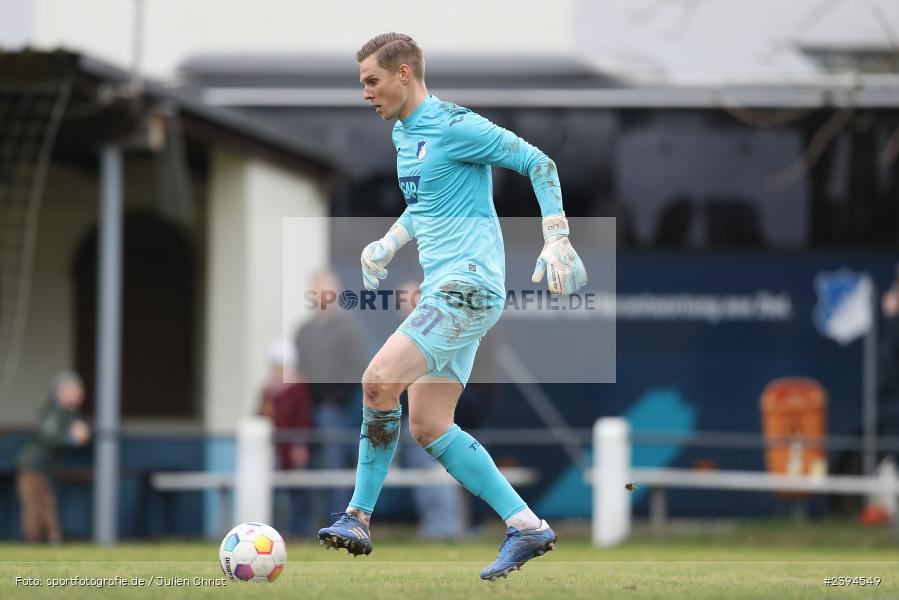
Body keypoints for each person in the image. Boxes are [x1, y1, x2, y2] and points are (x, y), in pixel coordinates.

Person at [317, 33, 587, 580]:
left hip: (466, 287)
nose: (365, 93)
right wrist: (390, 242)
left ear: (404, 73)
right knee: (430, 426)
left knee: (377, 381)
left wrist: (556, 235)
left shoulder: (455, 124)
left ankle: (357, 516)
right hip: (449, 287)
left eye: (372, 81)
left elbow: (539, 163)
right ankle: (527, 525)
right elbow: (425, 204)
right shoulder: (402, 133)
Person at [294, 269, 368, 514]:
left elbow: (356, 369)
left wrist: (333, 402)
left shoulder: (348, 329)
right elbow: (299, 371)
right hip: (306, 413)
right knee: (304, 468)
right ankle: (304, 524)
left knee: (335, 466)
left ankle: (339, 520)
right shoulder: (303, 331)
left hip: (337, 412)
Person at [16, 371, 91, 543]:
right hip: (32, 466)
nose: (79, 395)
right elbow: (49, 436)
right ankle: (33, 542)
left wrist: (80, 435)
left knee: (47, 505)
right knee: (33, 506)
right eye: (74, 391)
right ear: (61, 391)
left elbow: (80, 433)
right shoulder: (50, 410)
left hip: (47, 468)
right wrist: (71, 438)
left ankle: (52, 539)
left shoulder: (71, 414)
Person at [258, 340, 313, 536]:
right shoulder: (267, 389)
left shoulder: (298, 386)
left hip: (292, 446)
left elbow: (302, 417)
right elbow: (261, 416)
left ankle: (298, 532)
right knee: (271, 492)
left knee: (297, 491)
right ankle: (270, 531)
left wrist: (300, 445)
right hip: (273, 447)